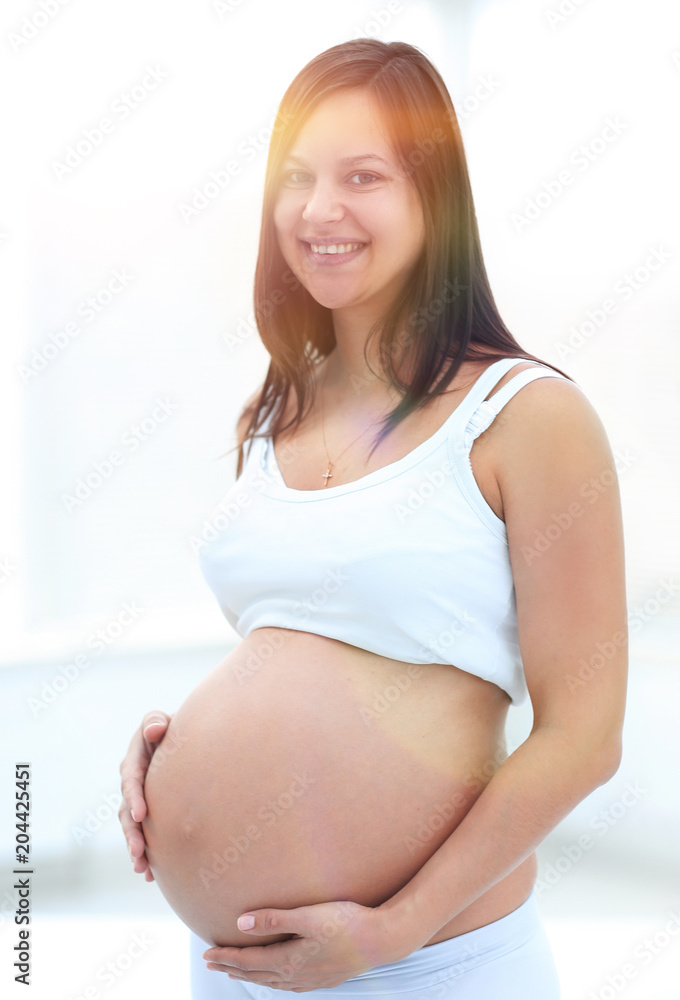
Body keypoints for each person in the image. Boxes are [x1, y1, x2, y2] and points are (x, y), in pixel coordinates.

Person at [118, 38, 628, 998]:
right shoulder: (278, 410)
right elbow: (309, 645)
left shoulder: (529, 417)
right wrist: (178, 752)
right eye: (298, 177)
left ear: (434, 201)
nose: (319, 211)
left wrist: (395, 930)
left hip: (427, 964)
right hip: (236, 969)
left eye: (364, 177)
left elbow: (584, 739)